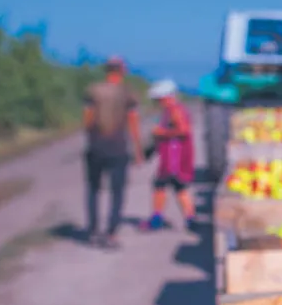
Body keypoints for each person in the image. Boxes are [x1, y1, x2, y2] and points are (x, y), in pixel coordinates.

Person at [82, 56, 145, 249]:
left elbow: (87, 120)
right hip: (118, 148)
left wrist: (92, 138)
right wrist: (138, 148)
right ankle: (111, 233)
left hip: (96, 147)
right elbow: (133, 121)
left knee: (93, 190)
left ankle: (93, 231)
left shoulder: (93, 91)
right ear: (122, 70)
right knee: (117, 192)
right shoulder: (127, 93)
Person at [142, 79, 198, 231]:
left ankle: (157, 217)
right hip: (173, 156)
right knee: (179, 188)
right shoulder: (172, 110)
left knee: (161, 185)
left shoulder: (175, 110)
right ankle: (190, 218)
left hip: (174, 157)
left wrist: (162, 133)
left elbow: (184, 130)